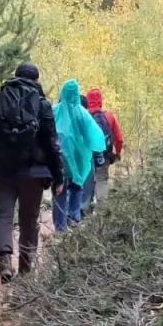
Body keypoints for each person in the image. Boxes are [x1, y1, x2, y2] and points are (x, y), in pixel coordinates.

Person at [0, 62, 63, 283]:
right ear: (36, 79)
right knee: (29, 220)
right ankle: (25, 269)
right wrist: (58, 176)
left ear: (15, 76)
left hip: (2, 171)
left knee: (3, 216)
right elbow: (52, 143)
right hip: (34, 174)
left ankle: (4, 262)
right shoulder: (42, 105)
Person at [51, 79, 106, 232]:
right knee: (76, 187)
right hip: (79, 159)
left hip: (59, 160)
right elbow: (95, 136)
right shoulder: (82, 113)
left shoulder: (54, 110)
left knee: (59, 190)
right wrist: (97, 152)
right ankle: (73, 220)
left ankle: (60, 228)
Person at [87, 87, 125, 211]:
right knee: (101, 180)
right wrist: (118, 152)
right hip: (104, 156)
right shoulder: (108, 115)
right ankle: (102, 213)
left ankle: (84, 212)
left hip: (86, 156)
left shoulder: (83, 115)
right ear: (100, 100)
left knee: (86, 182)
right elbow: (118, 138)